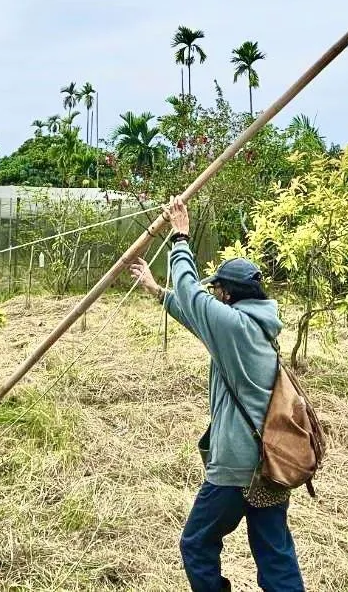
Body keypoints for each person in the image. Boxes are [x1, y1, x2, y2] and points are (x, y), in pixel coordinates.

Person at [130, 199, 306, 592]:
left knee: (196, 544)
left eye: (217, 290)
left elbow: (191, 295)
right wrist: (157, 291)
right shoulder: (253, 325)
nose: (214, 295)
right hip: (270, 464)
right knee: (275, 556)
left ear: (227, 294)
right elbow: (199, 316)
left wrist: (180, 237)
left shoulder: (234, 326)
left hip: (236, 467)